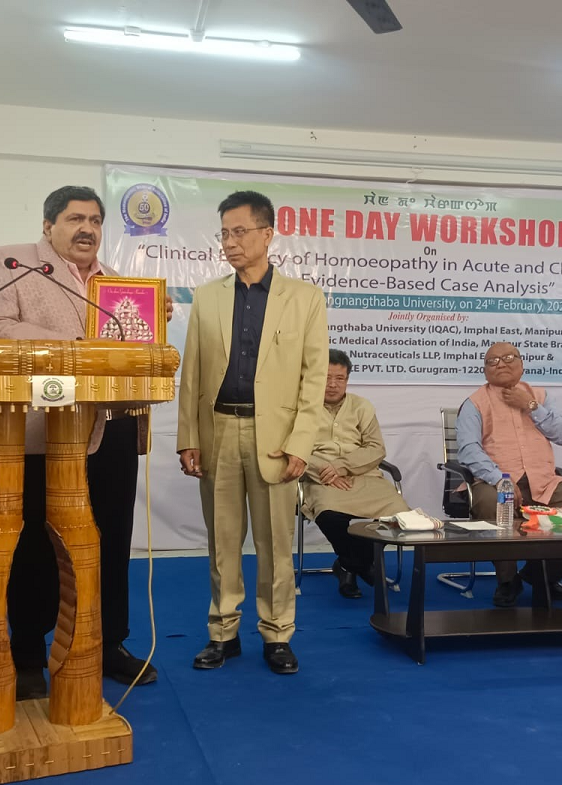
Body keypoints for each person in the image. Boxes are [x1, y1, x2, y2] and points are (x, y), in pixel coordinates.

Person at [0, 185, 167, 698]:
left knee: (109, 541)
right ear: (48, 225)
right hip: (40, 432)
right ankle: (29, 652)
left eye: (96, 221)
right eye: (76, 218)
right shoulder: (11, 263)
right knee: (38, 544)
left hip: (111, 426)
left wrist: (149, 332)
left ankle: (107, 643)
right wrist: (78, 348)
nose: (88, 229)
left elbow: (130, 350)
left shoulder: (114, 283)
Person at [176, 190, 329, 675]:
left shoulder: (304, 299)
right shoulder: (207, 297)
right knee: (222, 543)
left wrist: (301, 444)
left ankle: (277, 634)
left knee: (276, 545)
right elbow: (192, 375)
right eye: (224, 233)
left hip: (277, 440)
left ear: (267, 235)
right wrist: (188, 437)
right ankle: (222, 633)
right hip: (218, 431)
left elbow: (313, 380)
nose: (229, 242)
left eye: (239, 232)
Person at [456, 341, 562, 608]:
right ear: (485, 371)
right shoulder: (474, 403)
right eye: (493, 361)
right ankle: (508, 580)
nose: (501, 363)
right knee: (491, 503)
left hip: (543, 480)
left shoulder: (540, 396)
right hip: (494, 481)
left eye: (509, 357)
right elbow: (468, 450)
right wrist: (500, 479)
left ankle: (540, 574)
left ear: (522, 365)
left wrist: (531, 406)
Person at [302, 349, 409, 598]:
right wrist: (326, 470)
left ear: (347, 380)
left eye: (339, 378)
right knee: (330, 516)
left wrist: (342, 466)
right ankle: (360, 565)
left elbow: (376, 448)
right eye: (326, 377)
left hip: (363, 474)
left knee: (400, 518)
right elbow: (294, 449)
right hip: (321, 478)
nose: (332, 384)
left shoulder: (362, 406)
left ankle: (348, 565)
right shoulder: (301, 407)